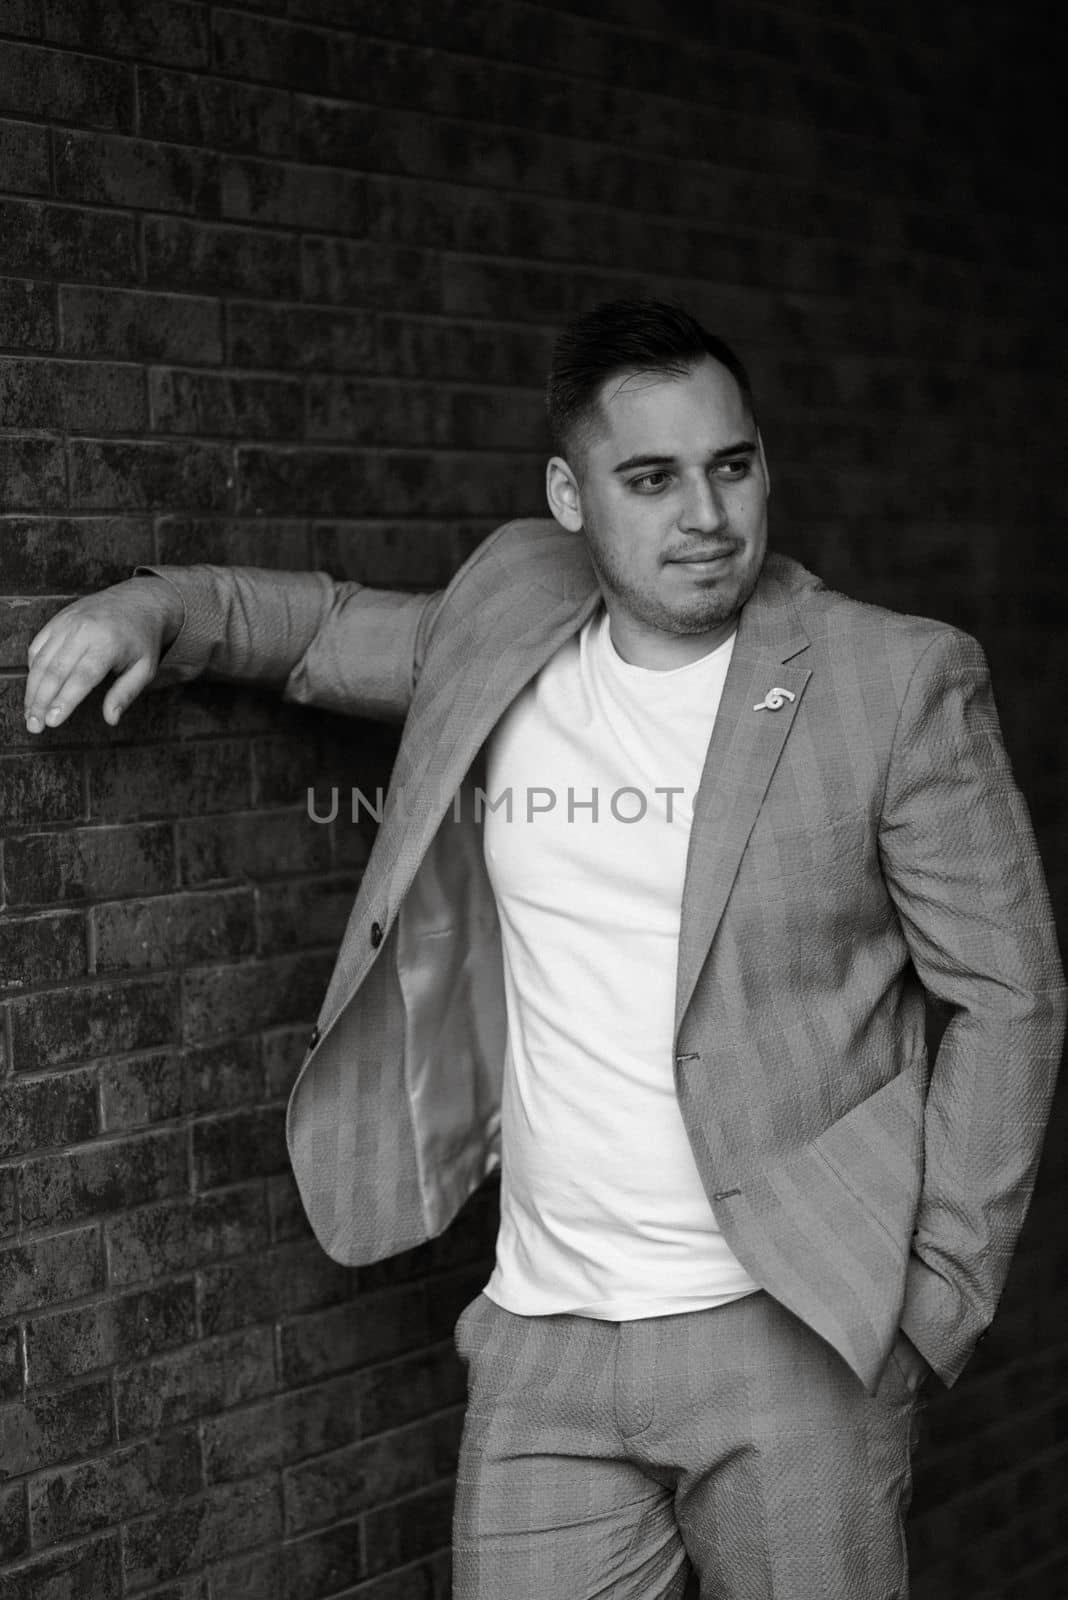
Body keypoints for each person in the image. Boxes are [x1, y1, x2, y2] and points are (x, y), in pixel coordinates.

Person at [24, 300, 1066, 1599]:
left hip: (796, 1339)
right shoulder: (507, 617)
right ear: (570, 496)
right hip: (542, 1348)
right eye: (651, 479)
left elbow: (1009, 996)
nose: (706, 514)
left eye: (731, 467)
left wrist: (937, 1299)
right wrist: (152, 612)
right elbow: (316, 629)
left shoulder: (893, 679)